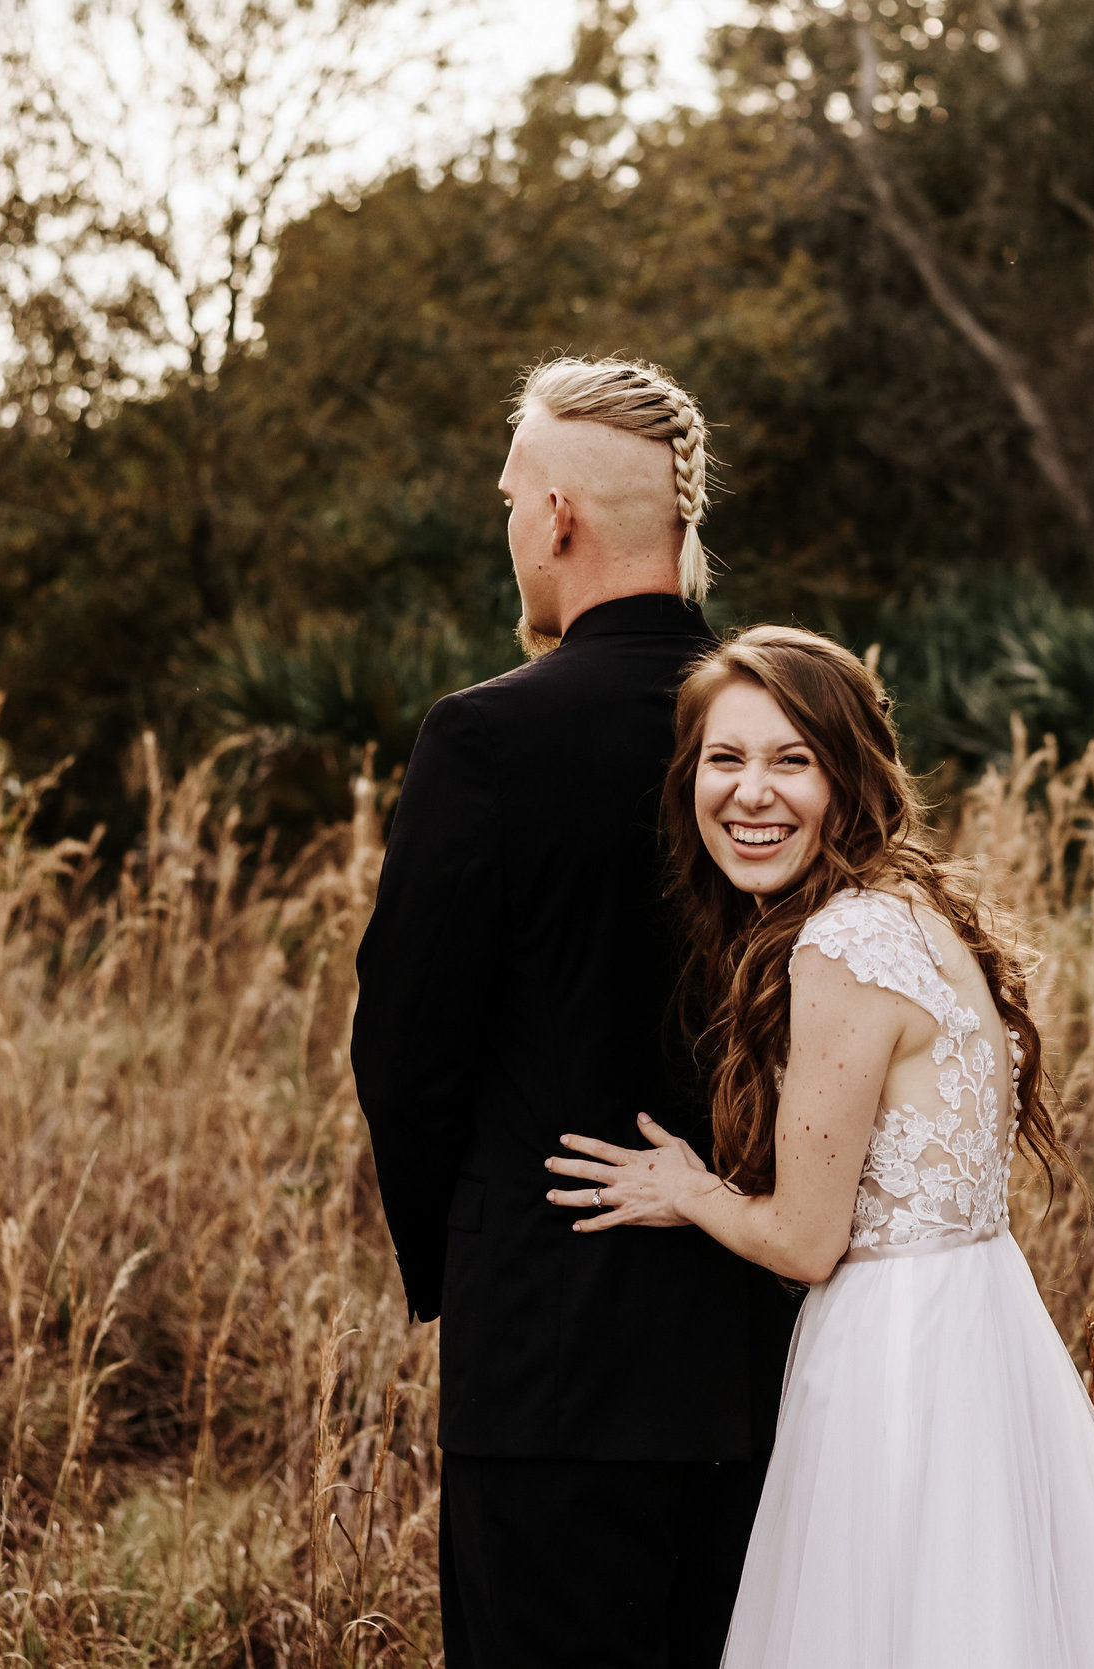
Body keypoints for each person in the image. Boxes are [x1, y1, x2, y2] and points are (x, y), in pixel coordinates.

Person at [544, 626, 1094, 1669]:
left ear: (847, 775)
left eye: (790, 759)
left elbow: (807, 1242)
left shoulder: (840, 946)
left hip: (898, 1358)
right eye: (725, 758)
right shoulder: (914, 909)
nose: (751, 793)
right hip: (979, 1321)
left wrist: (687, 1187)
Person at [352, 357, 797, 1669]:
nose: (506, 529)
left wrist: (476, 1256)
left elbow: (405, 1052)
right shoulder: (788, 732)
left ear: (557, 516)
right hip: (767, 1346)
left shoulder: (485, 739)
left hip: (547, 1358)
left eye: (507, 499)